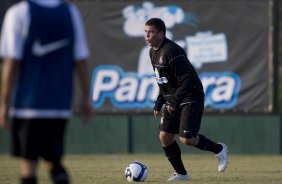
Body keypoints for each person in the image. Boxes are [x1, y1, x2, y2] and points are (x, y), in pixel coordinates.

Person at [0, 0, 92, 184]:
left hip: (28, 104)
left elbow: (11, 63)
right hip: (60, 105)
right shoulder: (70, 13)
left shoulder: (19, 12)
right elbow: (81, 60)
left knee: (29, 165)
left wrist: (4, 102)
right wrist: (86, 97)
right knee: (53, 160)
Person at [144, 18, 228, 181]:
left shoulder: (172, 51)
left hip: (191, 96)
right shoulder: (152, 52)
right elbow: (163, 80)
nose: (147, 35)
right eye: (146, 32)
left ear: (162, 33)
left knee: (187, 139)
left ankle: (219, 149)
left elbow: (188, 79)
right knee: (165, 137)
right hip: (173, 100)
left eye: (151, 32)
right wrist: (159, 102)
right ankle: (182, 174)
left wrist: (174, 101)